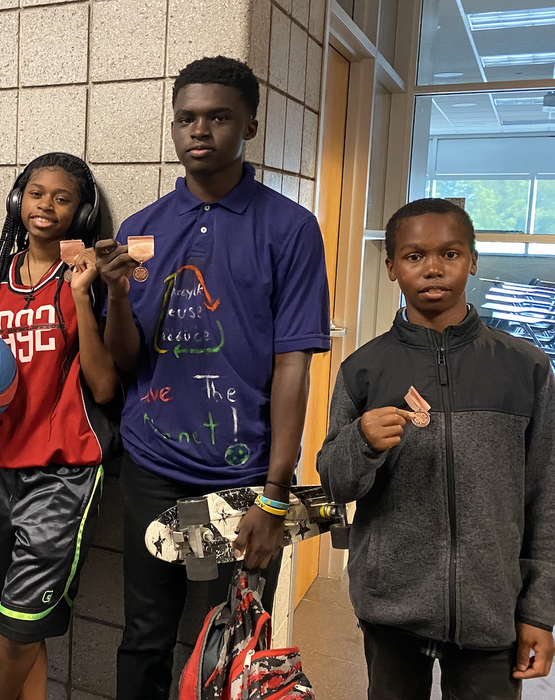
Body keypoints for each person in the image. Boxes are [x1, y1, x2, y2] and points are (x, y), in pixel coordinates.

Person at [95, 56, 331, 700]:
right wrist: (115, 296)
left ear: (250, 125)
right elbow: (123, 359)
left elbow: (292, 367)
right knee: (144, 636)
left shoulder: (290, 229)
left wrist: (276, 496)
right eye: (186, 119)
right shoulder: (140, 230)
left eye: (218, 117)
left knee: (231, 646)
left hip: (244, 479)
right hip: (152, 464)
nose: (200, 131)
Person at [317, 198, 555, 699]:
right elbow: (334, 482)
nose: (432, 268)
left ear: (473, 260)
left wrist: (539, 610)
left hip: (492, 606)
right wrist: (361, 441)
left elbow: (546, 495)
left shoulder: (526, 368)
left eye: (449, 253)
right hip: (391, 608)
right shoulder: (364, 369)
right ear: (390, 268)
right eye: (413, 256)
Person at [0, 152, 119, 700]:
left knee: (21, 624)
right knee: (16, 619)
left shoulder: (84, 280)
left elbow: (103, 388)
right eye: (35, 193)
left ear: (81, 211)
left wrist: (82, 297)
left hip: (60, 470)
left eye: (62, 197)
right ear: (16, 200)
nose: (46, 205)